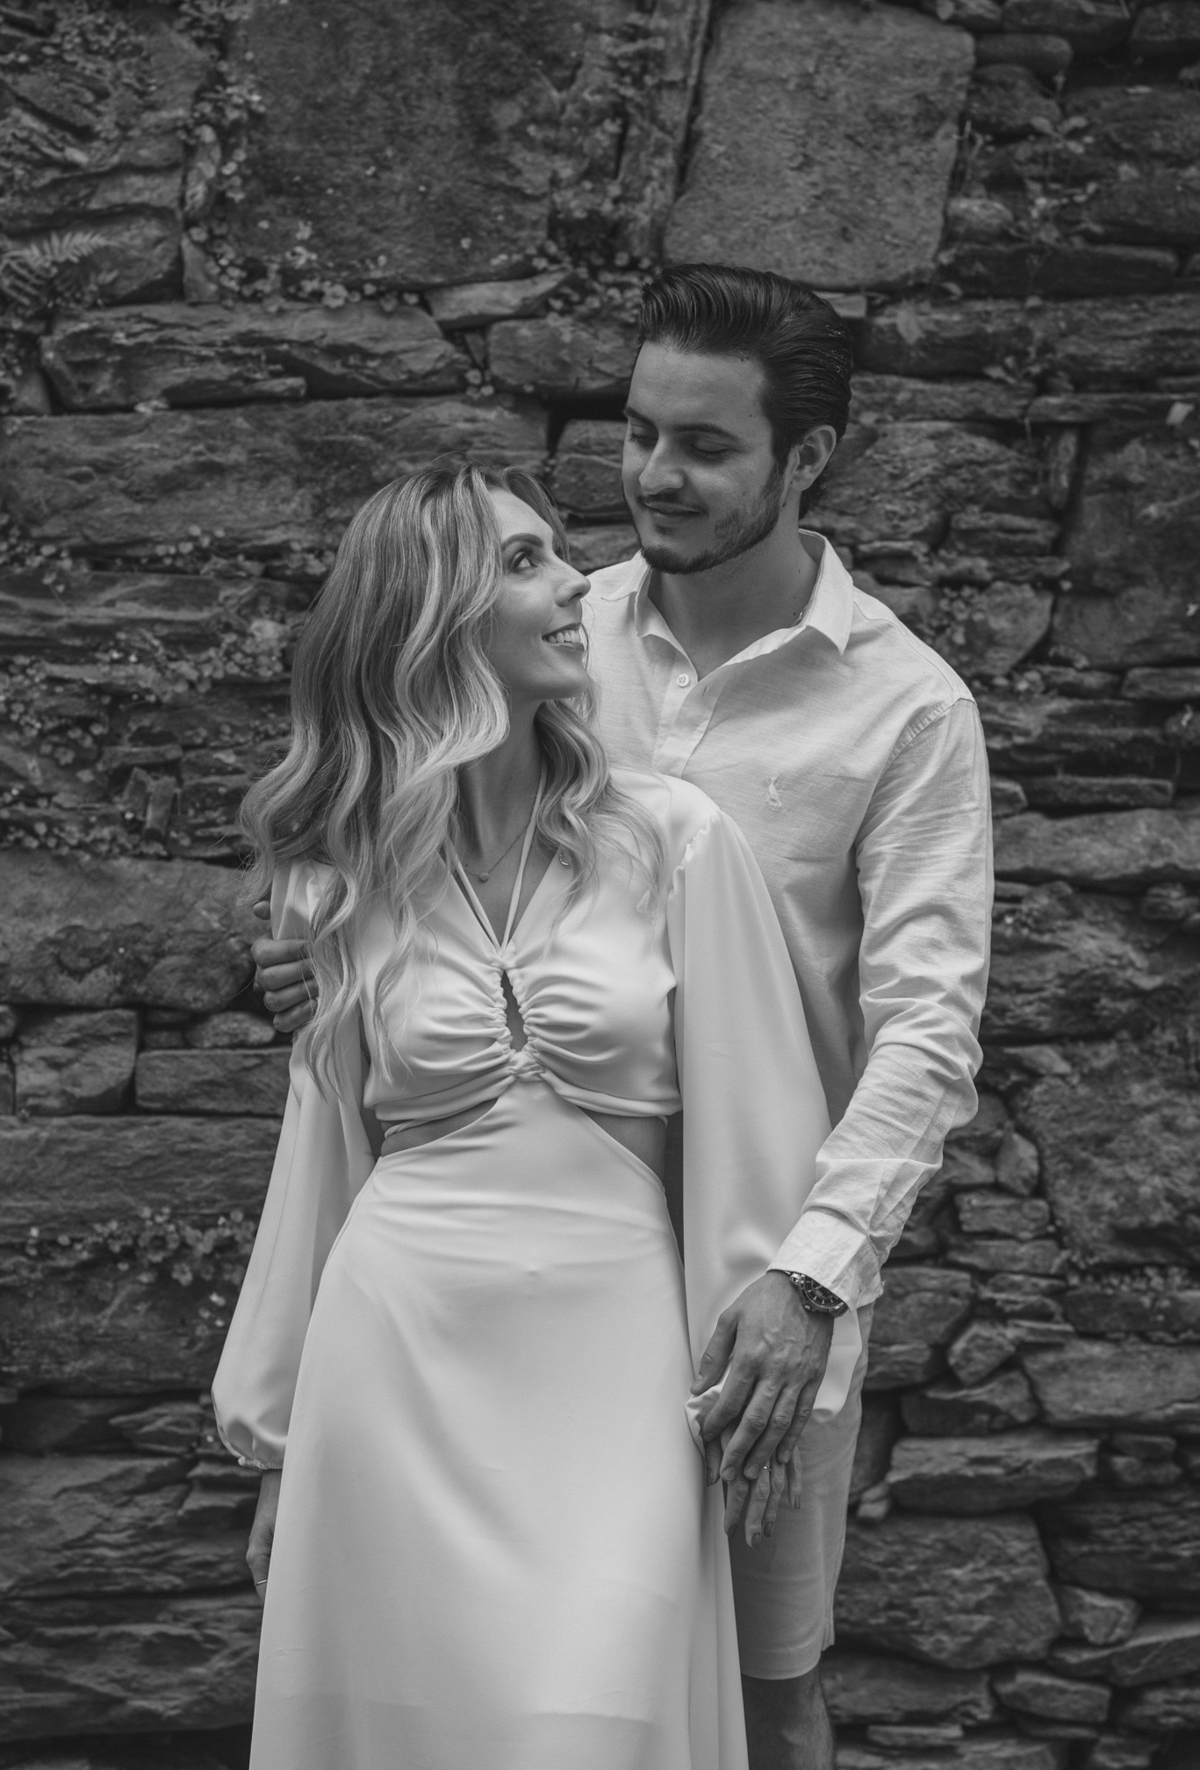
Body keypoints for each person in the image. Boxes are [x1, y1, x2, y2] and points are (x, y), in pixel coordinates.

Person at [252, 264, 994, 1770]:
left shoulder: (909, 709)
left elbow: (926, 1028)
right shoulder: (543, 628)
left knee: (766, 1690)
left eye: (706, 447)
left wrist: (811, 1275)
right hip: (471, 1278)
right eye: (641, 431)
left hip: (757, 1281)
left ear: (807, 458)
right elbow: (398, 833)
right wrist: (331, 960)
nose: (655, 475)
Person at [214, 458, 860, 1770]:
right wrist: (280, 1447)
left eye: (560, 553)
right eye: (526, 561)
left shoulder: (673, 839)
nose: (578, 584)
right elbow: (320, 1155)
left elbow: (764, 1121)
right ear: (434, 615)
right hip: (392, 1365)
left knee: (594, 1720)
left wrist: (760, 1371)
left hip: (617, 1366)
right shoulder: (339, 879)